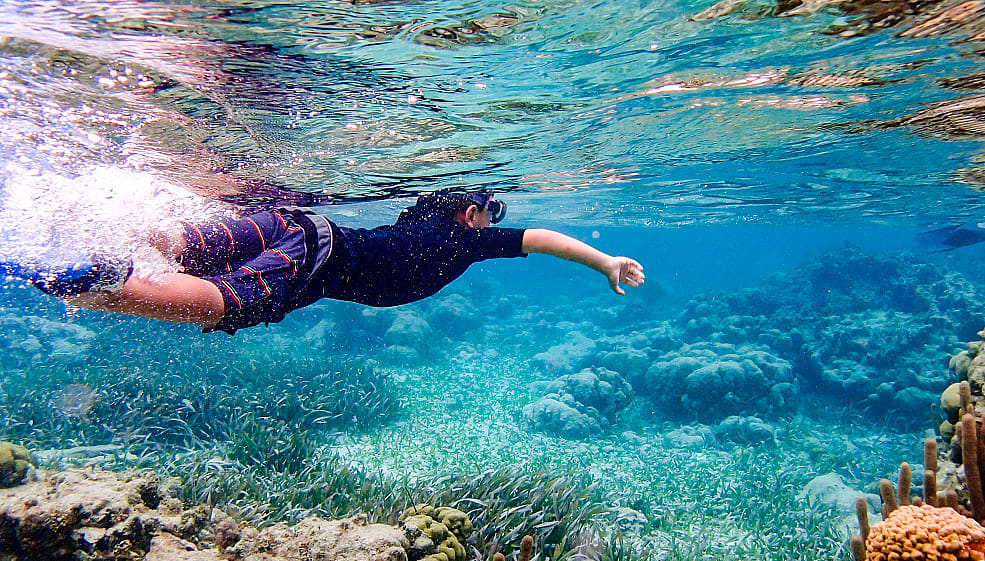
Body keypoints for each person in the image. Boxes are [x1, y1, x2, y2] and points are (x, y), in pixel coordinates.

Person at [13, 189, 645, 334]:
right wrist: (605, 262)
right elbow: (546, 240)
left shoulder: (411, 225)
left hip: (299, 223)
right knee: (225, 303)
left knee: (190, 244)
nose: (494, 223)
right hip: (316, 257)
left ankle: (89, 230)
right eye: (488, 210)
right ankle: (111, 286)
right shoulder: (464, 240)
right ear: (468, 212)